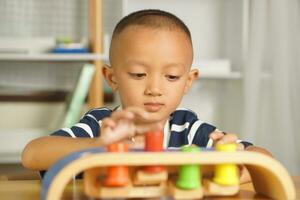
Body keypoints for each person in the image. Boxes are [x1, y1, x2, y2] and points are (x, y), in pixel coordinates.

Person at [22, 9, 272, 183]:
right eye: (139, 74)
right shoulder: (100, 125)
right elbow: (32, 154)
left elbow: (264, 160)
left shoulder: (189, 129)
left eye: (172, 76)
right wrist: (100, 146)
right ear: (112, 78)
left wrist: (227, 161)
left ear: (188, 81)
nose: (154, 88)